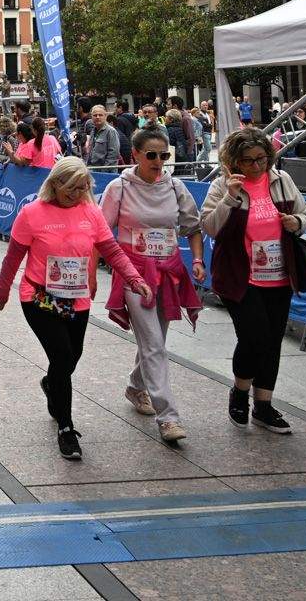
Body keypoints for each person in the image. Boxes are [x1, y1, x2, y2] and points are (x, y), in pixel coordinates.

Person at [0, 158, 150, 461]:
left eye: (82, 188)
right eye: (70, 188)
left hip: (76, 298)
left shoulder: (91, 212)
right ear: (54, 184)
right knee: (62, 355)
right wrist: (2, 291)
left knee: (70, 358)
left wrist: (135, 279)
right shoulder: (32, 213)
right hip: (39, 297)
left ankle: (52, 384)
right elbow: (13, 257)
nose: (76, 194)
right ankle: (66, 428)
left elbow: (112, 251)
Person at [197, 128, 306, 434]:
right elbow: (209, 226)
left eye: (261, 159)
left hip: (279, 274)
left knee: (272, 341)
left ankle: (264, 406)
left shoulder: (281, 180)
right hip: (240, 276)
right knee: (254, 337)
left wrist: (295, 222)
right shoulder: (223, 185)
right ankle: (240, 392)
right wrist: (231, 198)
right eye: (248, 161)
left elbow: (303, 212)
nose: (256, 166)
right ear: (234, 162)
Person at [100, 128, 203, 445]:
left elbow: (192, 227)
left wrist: (197, 260)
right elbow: (102, 234)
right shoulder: (119, 188)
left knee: (153, 339)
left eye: (165, 155)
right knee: (154, 343)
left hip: (169, 270)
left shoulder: (175, 186)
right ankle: (168, 417)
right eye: (152, 155)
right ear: (135, 156)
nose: (159, 161)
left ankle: (135, 385)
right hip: (134, 273)